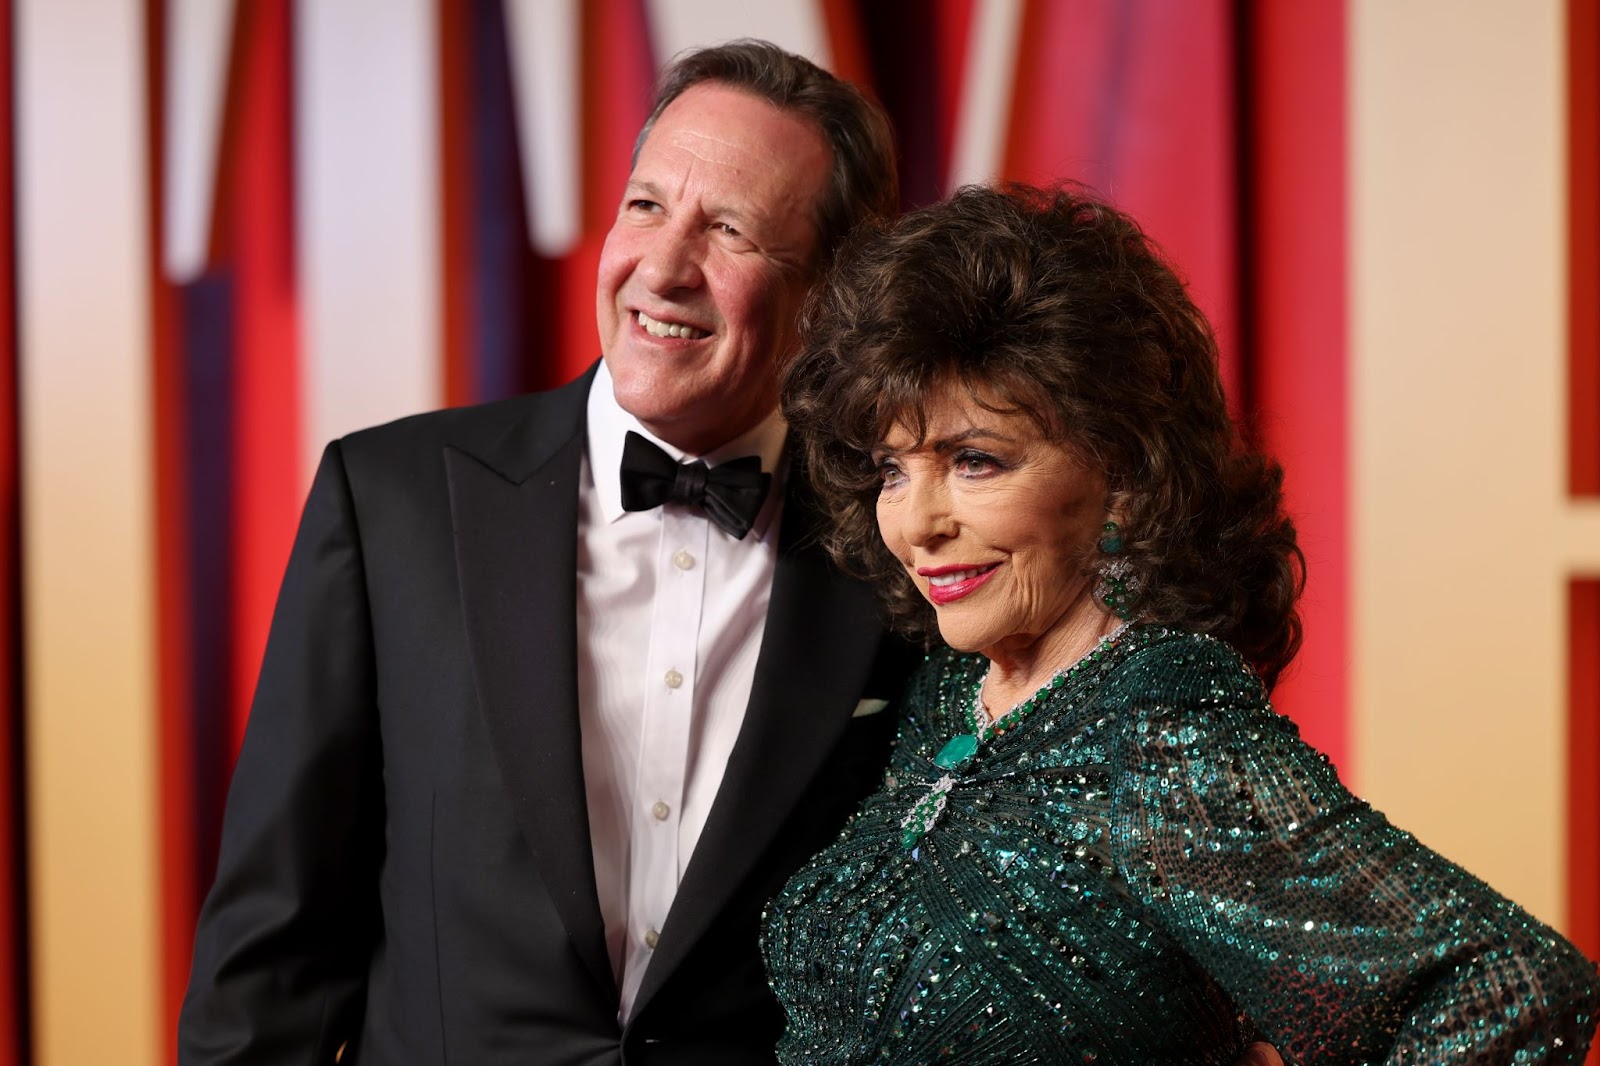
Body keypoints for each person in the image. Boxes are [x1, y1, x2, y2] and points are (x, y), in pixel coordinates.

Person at [178, 41, 913, 1064]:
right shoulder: (391, 499)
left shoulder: (898, 549)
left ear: (829, 290)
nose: (661, 268)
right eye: (647, 206)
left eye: (729, 229)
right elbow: (274, 949)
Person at [768, 183, 1600, 1064]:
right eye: (893, 470)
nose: (916, 522)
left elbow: (1507, 990)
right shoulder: (948, 694)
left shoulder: (1162, 733)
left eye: (974, 461)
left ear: (1122, 468)